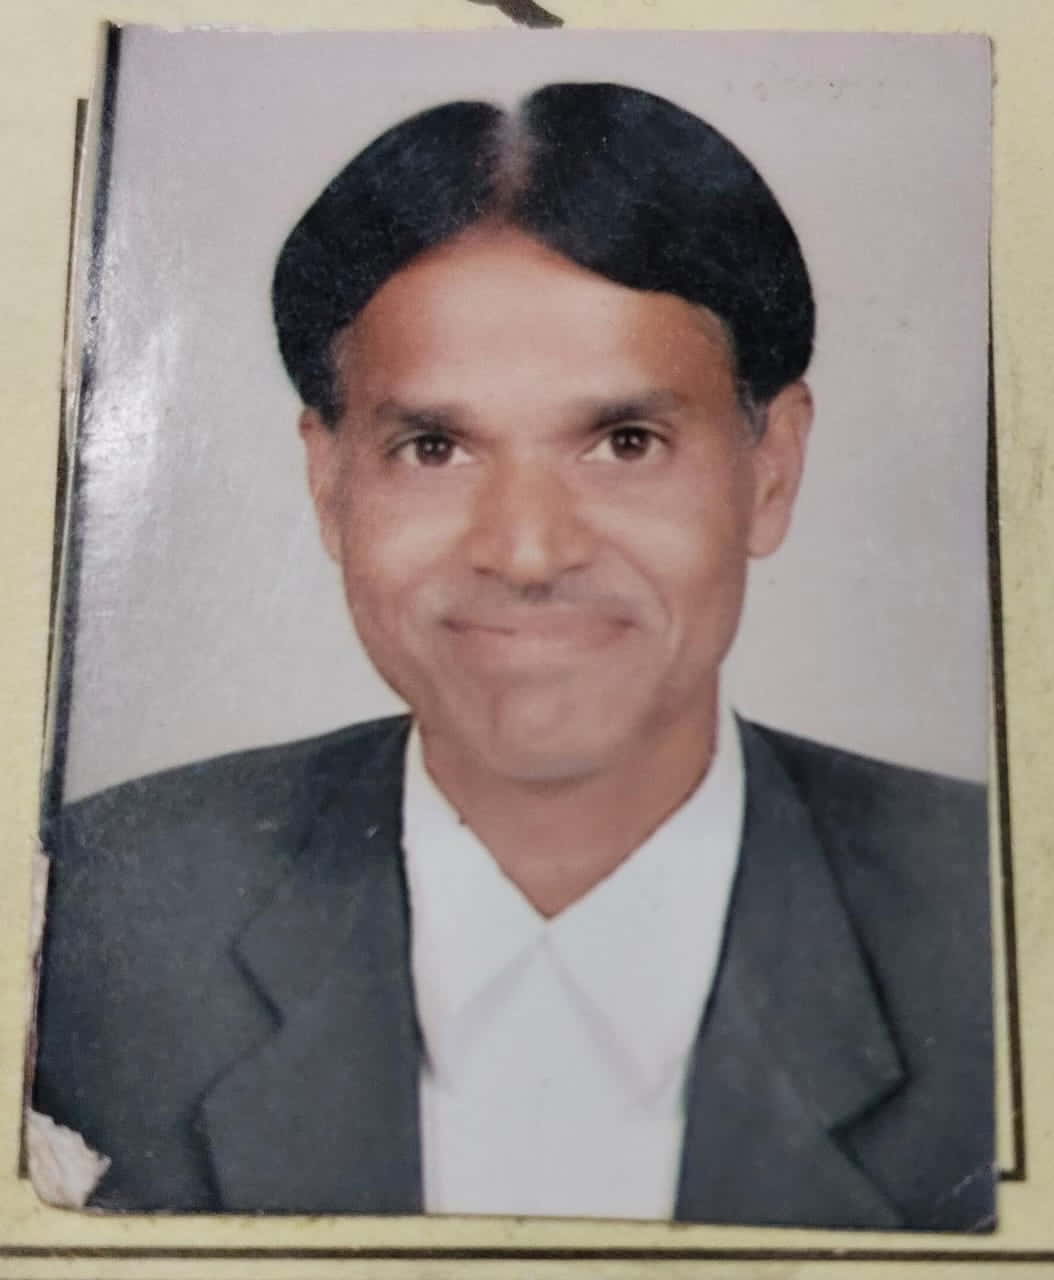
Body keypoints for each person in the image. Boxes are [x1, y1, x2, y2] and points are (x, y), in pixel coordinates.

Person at [33, 81, 994, 1229]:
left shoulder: (989, 919)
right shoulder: (87, 917)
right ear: (329, 482)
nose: (528, 552)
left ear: (770, 468)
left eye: (625, 441)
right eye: (434, 447)